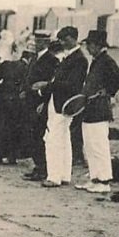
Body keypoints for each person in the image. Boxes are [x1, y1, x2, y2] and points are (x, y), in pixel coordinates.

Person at [75, 30, 119, 193]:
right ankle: (95, 178)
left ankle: (104, 181)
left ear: (97, 45)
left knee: (99, 145)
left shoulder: (105, 60)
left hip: (99, 109)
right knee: (90, 145)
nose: (87, 48)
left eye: (89, 44)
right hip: (90, 109)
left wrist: (108, 91)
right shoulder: (97, 60)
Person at [35, 26, 88, 188]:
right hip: (60, 102)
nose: (62, 43)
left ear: (73, 38)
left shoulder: (79, 59)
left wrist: (47, 85)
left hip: (63, 103)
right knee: (64, 138)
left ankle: (54, 176)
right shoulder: (70, 57)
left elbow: (72, 84)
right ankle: (64, 174)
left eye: (64, 40)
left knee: (53, 139)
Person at [21, 35, 61, 181]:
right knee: (31, 134)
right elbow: (29, 77)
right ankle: (38, 166)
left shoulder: (51, 60)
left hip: (40, 101)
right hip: (30, 101)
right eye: (35, 41)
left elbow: (50, 83)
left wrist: (44, 101)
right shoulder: (34, 58)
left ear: (46, 43)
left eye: (39, 41)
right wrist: (24, 90)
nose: (36, 43)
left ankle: (43, 168)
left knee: (39, 134)